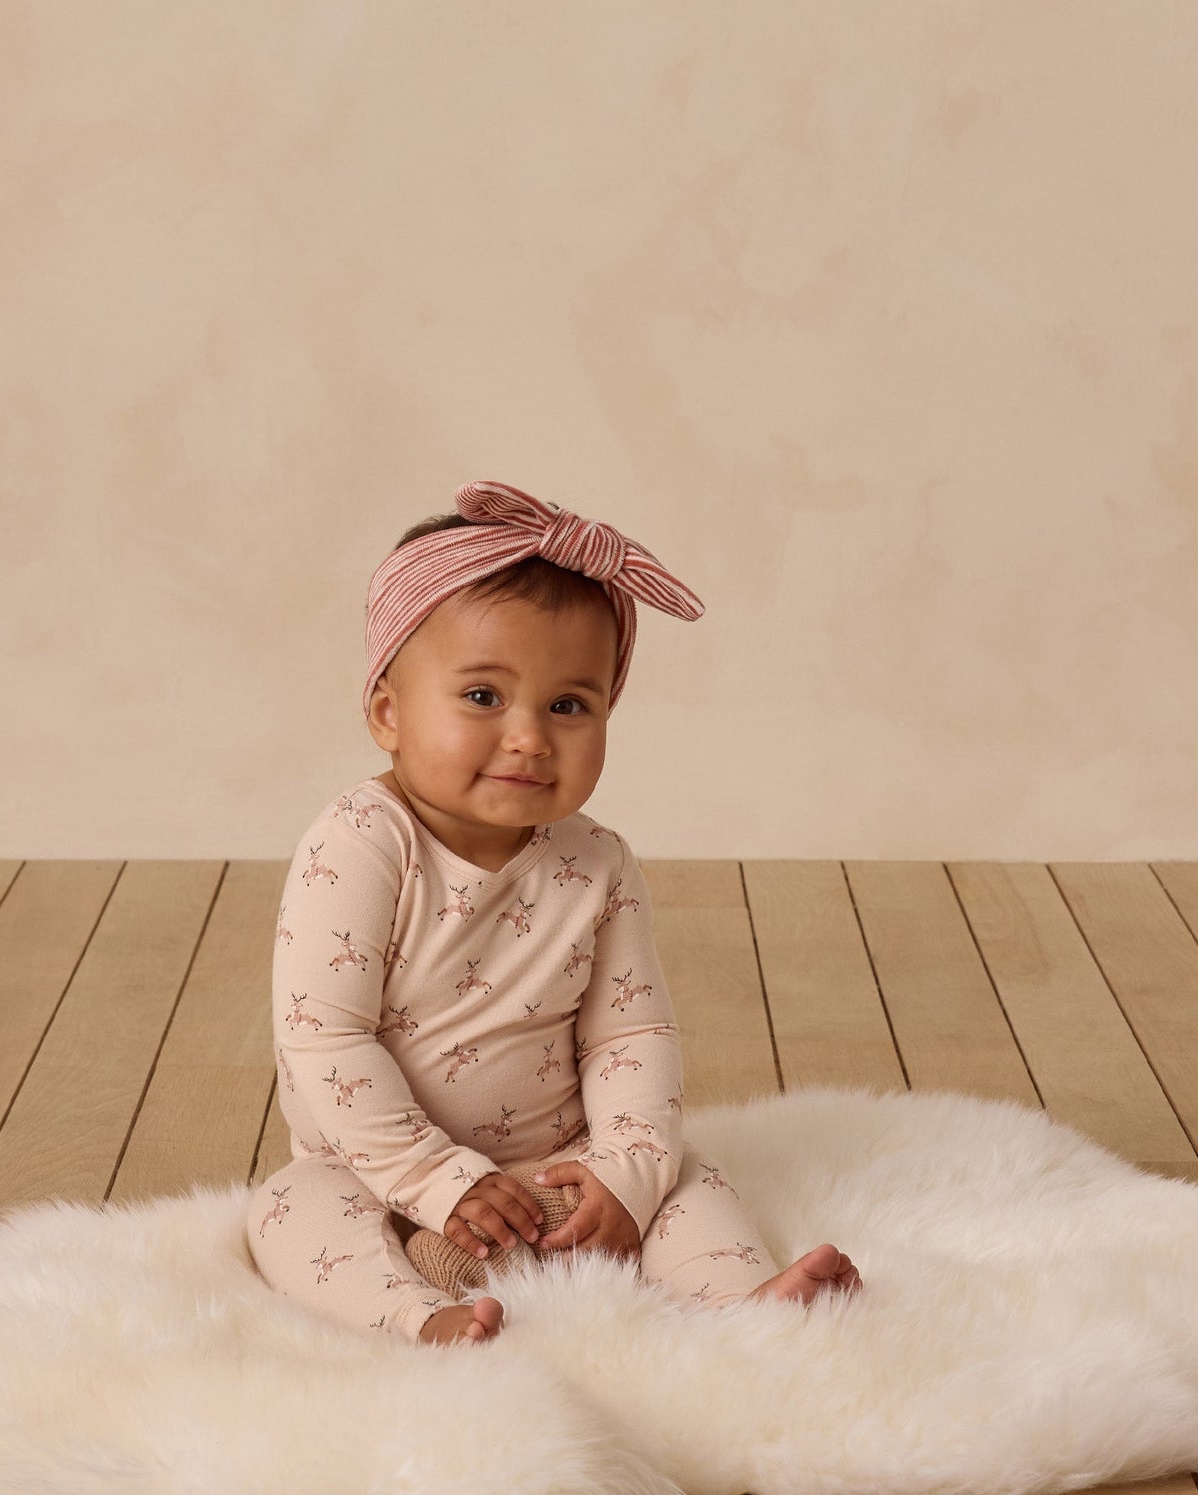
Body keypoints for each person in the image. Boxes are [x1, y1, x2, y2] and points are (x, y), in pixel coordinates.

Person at [246, 479, 862, 1347]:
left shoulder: (596, 863)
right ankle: (424, 1319)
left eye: (569, 705)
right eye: (484, 697)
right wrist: (439, 1180)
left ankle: (743, 1317)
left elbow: (629, 1035)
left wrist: (627, 1174)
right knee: (288, 1210)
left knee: (690, 1183)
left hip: (555, 1168)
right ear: (389, 711)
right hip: (384, 1171)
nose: (531, 736)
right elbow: (326, 1042)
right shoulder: (360, 843)